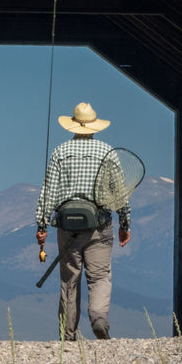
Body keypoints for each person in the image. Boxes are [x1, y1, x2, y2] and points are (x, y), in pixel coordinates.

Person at [35, 102, 131, 340]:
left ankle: (68, 334)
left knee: (70, 280)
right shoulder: (107, 153)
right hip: (99, 226)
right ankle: (98, 319)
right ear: (95, 127)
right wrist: (125, 223)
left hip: (67, 227)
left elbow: (49, 191)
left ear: (73, 126)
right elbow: (119, 192)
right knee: (99, 277)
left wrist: (41, 224)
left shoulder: (59, 152)